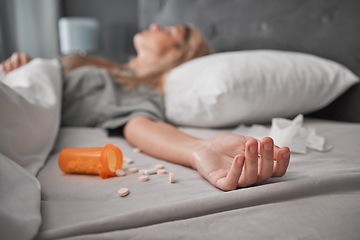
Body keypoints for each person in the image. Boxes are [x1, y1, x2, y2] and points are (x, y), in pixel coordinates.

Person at [0, 23, 290, 191]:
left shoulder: (139, 91)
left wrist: (197, 149)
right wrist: (20, 68)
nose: (154, 25)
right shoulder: (105, 66)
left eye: (168, 29)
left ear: (179, 52)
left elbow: (141, 124)